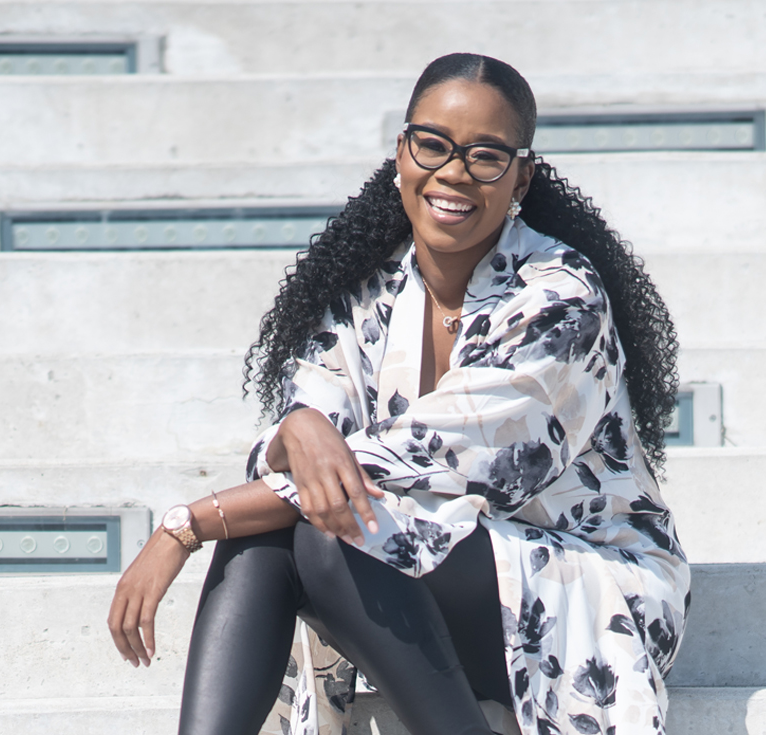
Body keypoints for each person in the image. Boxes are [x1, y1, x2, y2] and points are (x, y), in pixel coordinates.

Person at [108, 53, 690, 735]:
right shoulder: (368, 288)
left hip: (579, 587)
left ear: (522, 176)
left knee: (330, 533)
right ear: (401, 153)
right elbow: (306, 461)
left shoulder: (560, 299)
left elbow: (417, 462)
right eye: (433, 145)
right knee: (268, 537)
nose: (453, 172)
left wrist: (187, 522)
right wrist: (295, 428)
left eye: (486, 156)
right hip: (414, 571)